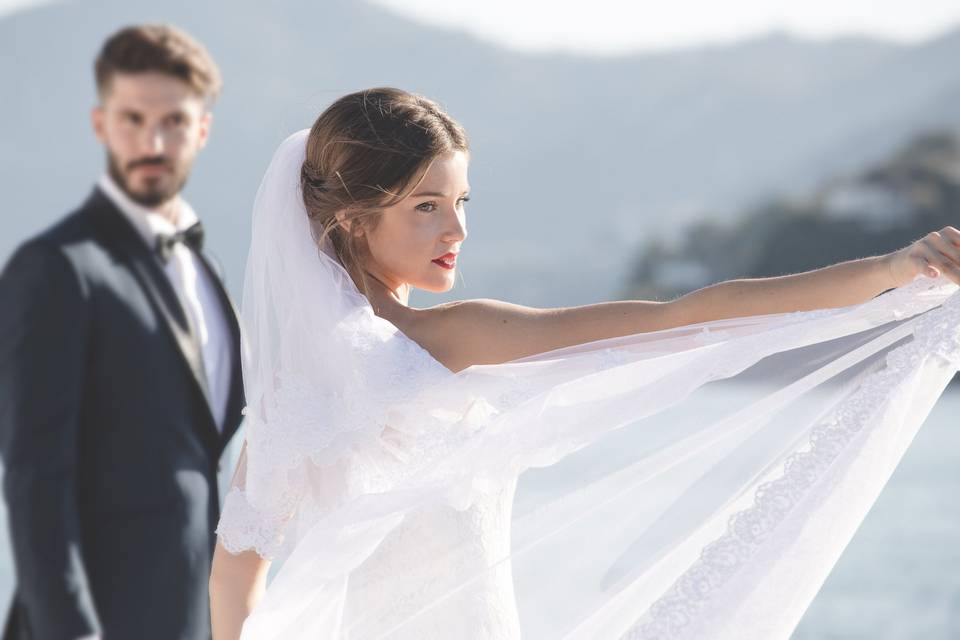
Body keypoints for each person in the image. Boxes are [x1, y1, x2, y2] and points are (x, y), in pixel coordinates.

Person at [209, 88, 960, 640]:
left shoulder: (295, 392)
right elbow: (685, 317)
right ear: (352, 214)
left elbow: (236, 570)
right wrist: (886, 270)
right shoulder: (451, 339)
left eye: (463, 199)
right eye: (426, 206)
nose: (458, 227)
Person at [0, 24, 245, 640]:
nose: (151, 141)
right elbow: (34, 480)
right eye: (132, 119)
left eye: (173, 122)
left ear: (203, 130)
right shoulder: (57, 268)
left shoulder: (207, 270)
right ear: (100, 123)